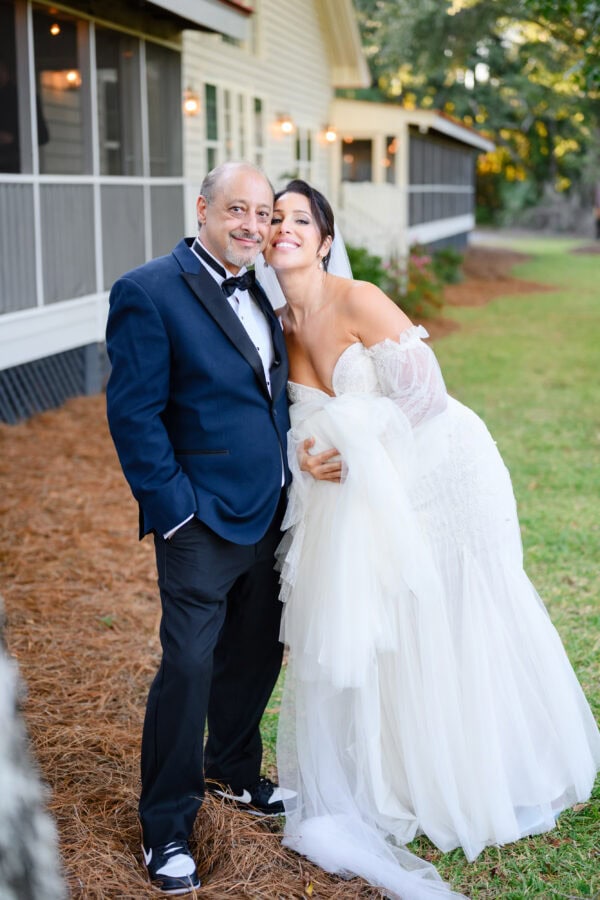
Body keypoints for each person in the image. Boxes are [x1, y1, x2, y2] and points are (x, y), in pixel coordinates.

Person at [261, 179, 600, 900]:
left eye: (300, 219)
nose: (284, 228)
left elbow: (425, 396)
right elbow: (298, 422)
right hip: (362, 495)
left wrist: (360, 455)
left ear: (324, 240)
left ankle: (486, 770)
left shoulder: (358, 299)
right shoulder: (279, 327)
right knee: (388, 627)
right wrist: (310, 457)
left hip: (443, 476)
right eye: (275, 218)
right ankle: (405, 775)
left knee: (451, 615)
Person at [105, 162, 295, 895]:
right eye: (237, 209)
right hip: (200, 521)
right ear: (204, 209)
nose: (252, 225)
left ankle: (233, 769)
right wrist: (175, 511)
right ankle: (167, 827)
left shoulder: (265, 286)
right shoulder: (148, 291)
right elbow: (134, 414)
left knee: (255, 652)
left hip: (272, 511)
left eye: (263, 213)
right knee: (188, 666)